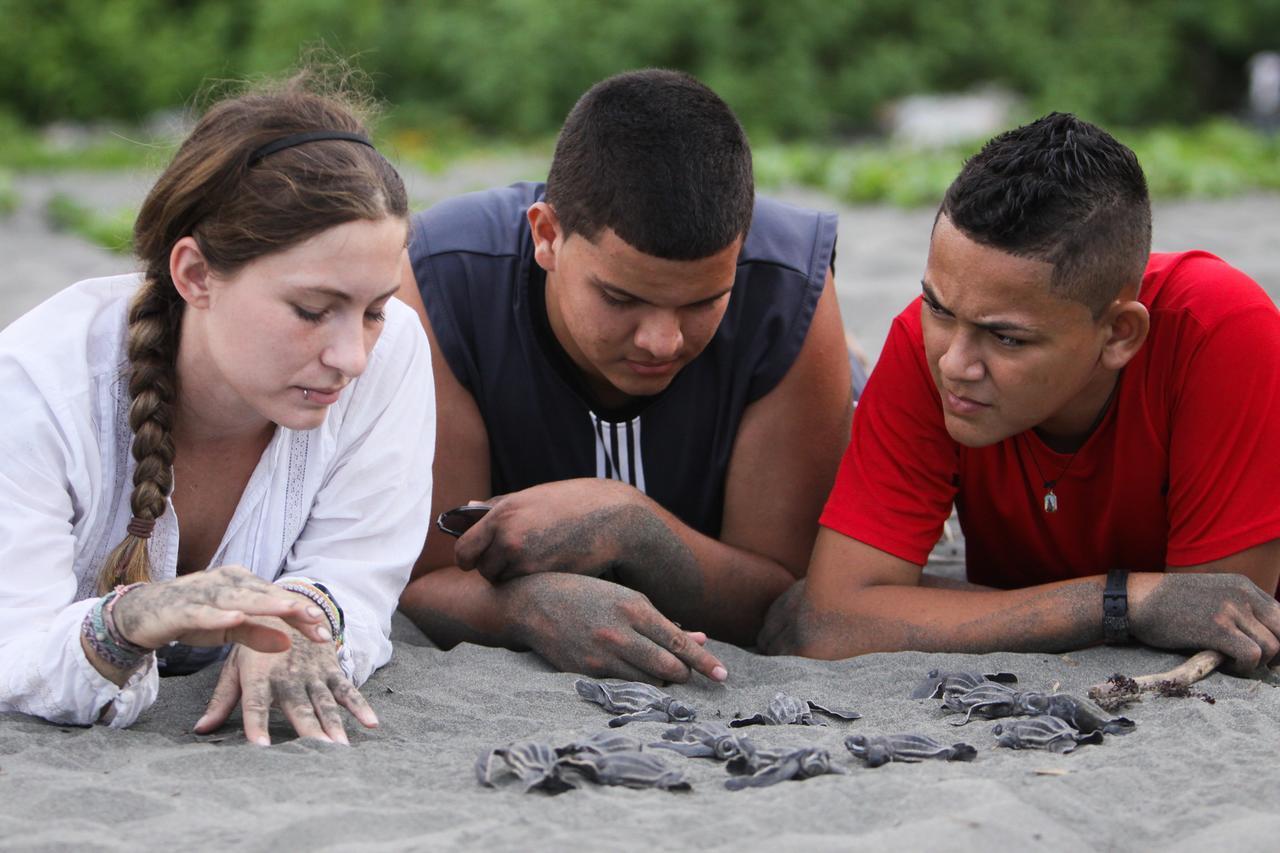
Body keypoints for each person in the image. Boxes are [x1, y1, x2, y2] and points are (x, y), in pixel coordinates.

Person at [0, 70, 435, 743]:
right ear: (195, 275)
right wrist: (129, 619)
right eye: (313, 309)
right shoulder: (35, 386)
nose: (352, 354)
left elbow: (360, 569)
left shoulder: (392, 349)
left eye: (375, 309)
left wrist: (304, 619)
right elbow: (14, 650)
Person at [760, 113, 1280, 674]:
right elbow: (831, 619)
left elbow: (1216, 629)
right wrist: (1121, 603)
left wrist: (922, 603)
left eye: (1006, 337)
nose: (955, 364)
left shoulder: (1221, 331)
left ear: (1119, 334)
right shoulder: (924, 344)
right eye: (938, 305)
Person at [395, 69, 854, 683]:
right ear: (547, 234)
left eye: (703, 302)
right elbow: (421, 575)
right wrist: (524, 608)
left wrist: (629, 524)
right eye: (620, 297)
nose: (662, 341)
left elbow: (785, 599)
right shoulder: (441, 283)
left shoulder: (788, 282)